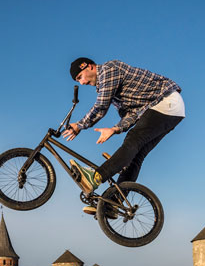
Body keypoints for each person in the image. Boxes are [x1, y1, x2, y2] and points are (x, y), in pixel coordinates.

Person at [62, 57, 185, 216]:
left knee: (133, 139)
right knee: (136, 156)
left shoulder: (109, 70)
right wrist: (115, 129)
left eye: (80, 77)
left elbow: (101, 107)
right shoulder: (112, 91)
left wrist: (79, 125)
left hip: (165, 101)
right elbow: (132, 114)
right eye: (78, 81)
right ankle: (113, 204)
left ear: (88, 66)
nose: (82, 83)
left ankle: (96, 176)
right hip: (171, 111)